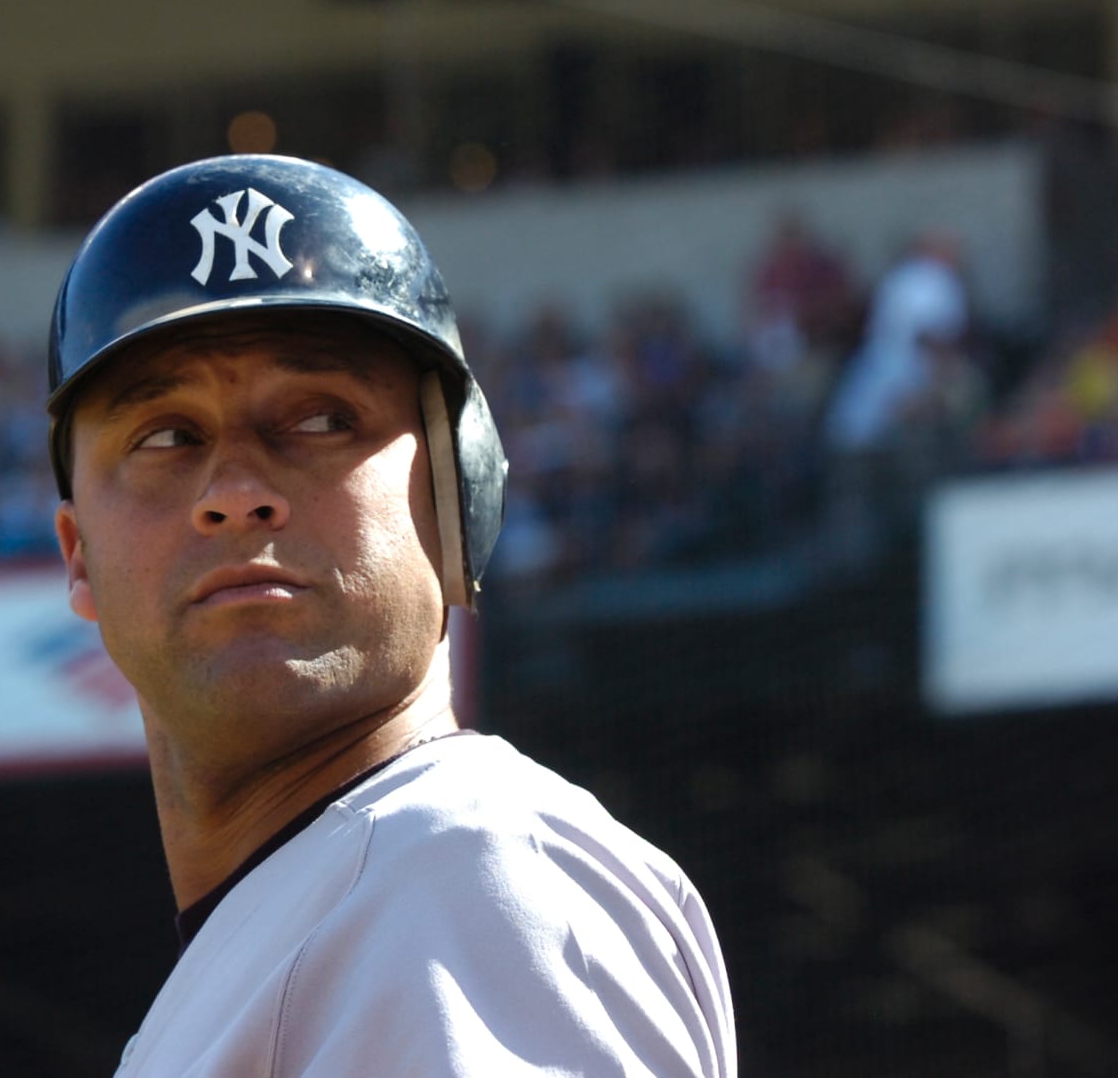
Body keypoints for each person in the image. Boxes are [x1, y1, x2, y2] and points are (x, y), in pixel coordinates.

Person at [46, 155, 736, 1076]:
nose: (237, 493)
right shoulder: (316, 918)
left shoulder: (467, 870)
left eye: (322, 418)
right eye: (167, 437)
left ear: (456, 502)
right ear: (77, 554)